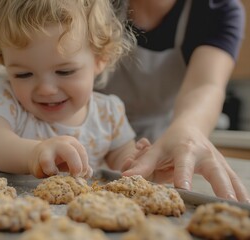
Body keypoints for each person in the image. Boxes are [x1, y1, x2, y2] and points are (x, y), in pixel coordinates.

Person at [0, 0, 148, 179]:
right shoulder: (6, 98)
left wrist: (142, 166)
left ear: (100, 59)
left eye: (64, 71)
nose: (46, 90)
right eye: (24, 74)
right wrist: (34, 153)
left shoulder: (109, 113)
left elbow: (124, 164)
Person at [101, 0, 250, 202]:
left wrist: (189, 131)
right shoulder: (88, 5)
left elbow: (206, 85)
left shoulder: (215, 10)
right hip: (93, 138)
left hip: (161, 149)